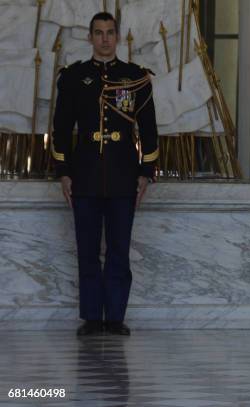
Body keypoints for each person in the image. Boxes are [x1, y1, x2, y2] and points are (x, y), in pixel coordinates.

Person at [52, 12, 159, 336]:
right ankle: (91, 317)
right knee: (86, 251)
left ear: (117, 36)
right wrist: (63, 172)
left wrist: (146, 172)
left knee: (118, 250)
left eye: (110, 32)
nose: (104, 39)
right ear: (90, 37)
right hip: (84, 177)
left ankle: (114, 317)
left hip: (123, 176)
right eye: (98, 33)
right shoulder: (73, 77)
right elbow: (60, 129)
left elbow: (149, 130)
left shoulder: (135, 77)